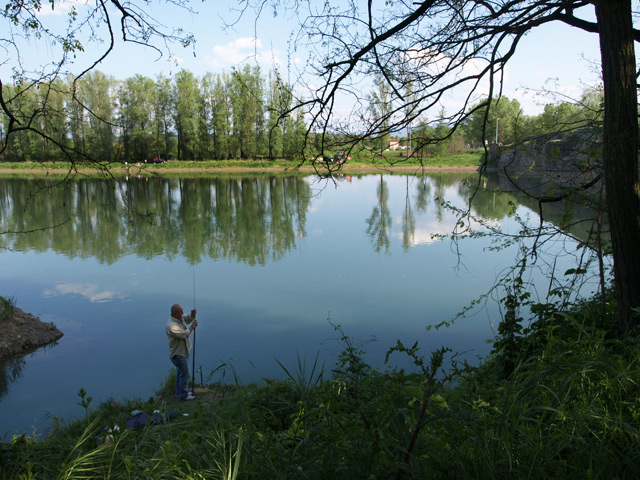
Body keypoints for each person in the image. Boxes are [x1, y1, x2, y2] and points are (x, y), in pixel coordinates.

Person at [166, 304, 198, 401]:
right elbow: (185, 334)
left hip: (182, 352)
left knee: (180, 373)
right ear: (174, 313)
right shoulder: (171, 325)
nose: (183, 313)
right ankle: (183, 396)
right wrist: (193, 326)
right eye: (181, 312)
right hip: (178, 354)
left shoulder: (180, 318)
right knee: (185, 374)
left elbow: (187, 318)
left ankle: (179, 392)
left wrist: (192, 315)